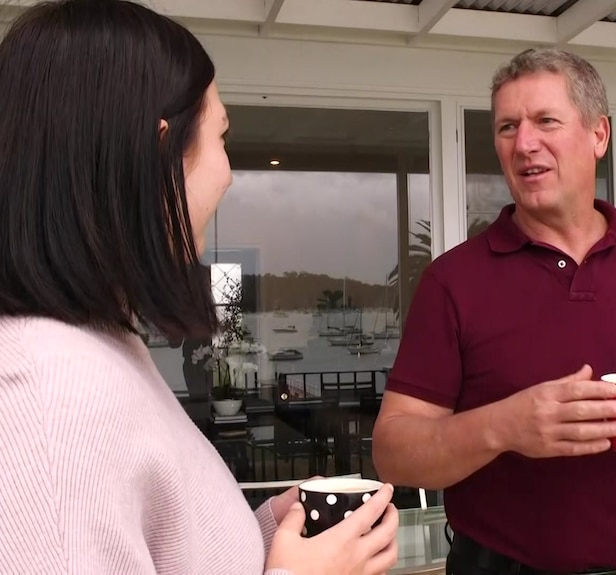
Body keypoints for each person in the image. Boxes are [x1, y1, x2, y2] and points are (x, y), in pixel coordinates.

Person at [0, 1, 398, 574]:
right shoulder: (49, 405)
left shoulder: (98, 346)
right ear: (161, 153)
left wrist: (262, 535)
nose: (230, 172)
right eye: (222, 135)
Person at [372, 48, 616, 575]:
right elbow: (393, 451)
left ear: (599, 135)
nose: (524, 143)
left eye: (545, 121)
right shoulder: (453, 281)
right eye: (507, 127)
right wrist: (505, 426)